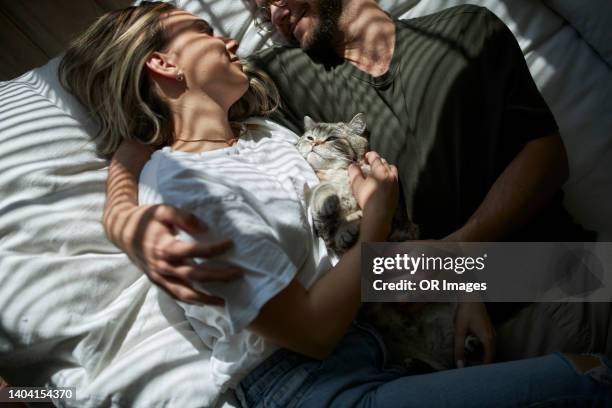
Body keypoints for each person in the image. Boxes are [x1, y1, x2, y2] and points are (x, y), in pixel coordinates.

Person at [58, 2, 612, 406]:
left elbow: (547, 156)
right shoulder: (276, 84)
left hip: (537, 273)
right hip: (410, 330)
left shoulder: (466, 29)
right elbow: (143, 139)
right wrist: (123, 217)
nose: (267, 14)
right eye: (255, 9)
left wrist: (458, 269)